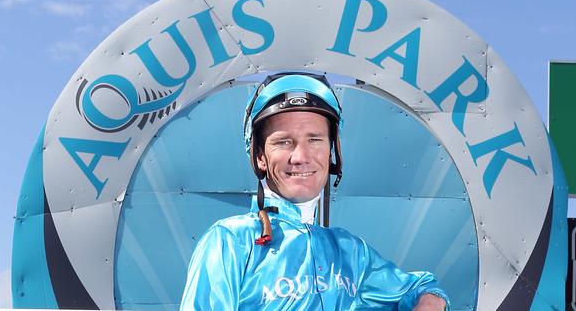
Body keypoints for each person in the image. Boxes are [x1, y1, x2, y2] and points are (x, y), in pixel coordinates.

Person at [180, 72, 450, 310]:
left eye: (315, 140)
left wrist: (431, 301)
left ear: (332, 152)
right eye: (284, 142)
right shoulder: (229, 241)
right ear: (260, 156)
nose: (301, 156)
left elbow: (423, 288)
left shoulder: (350, 251)